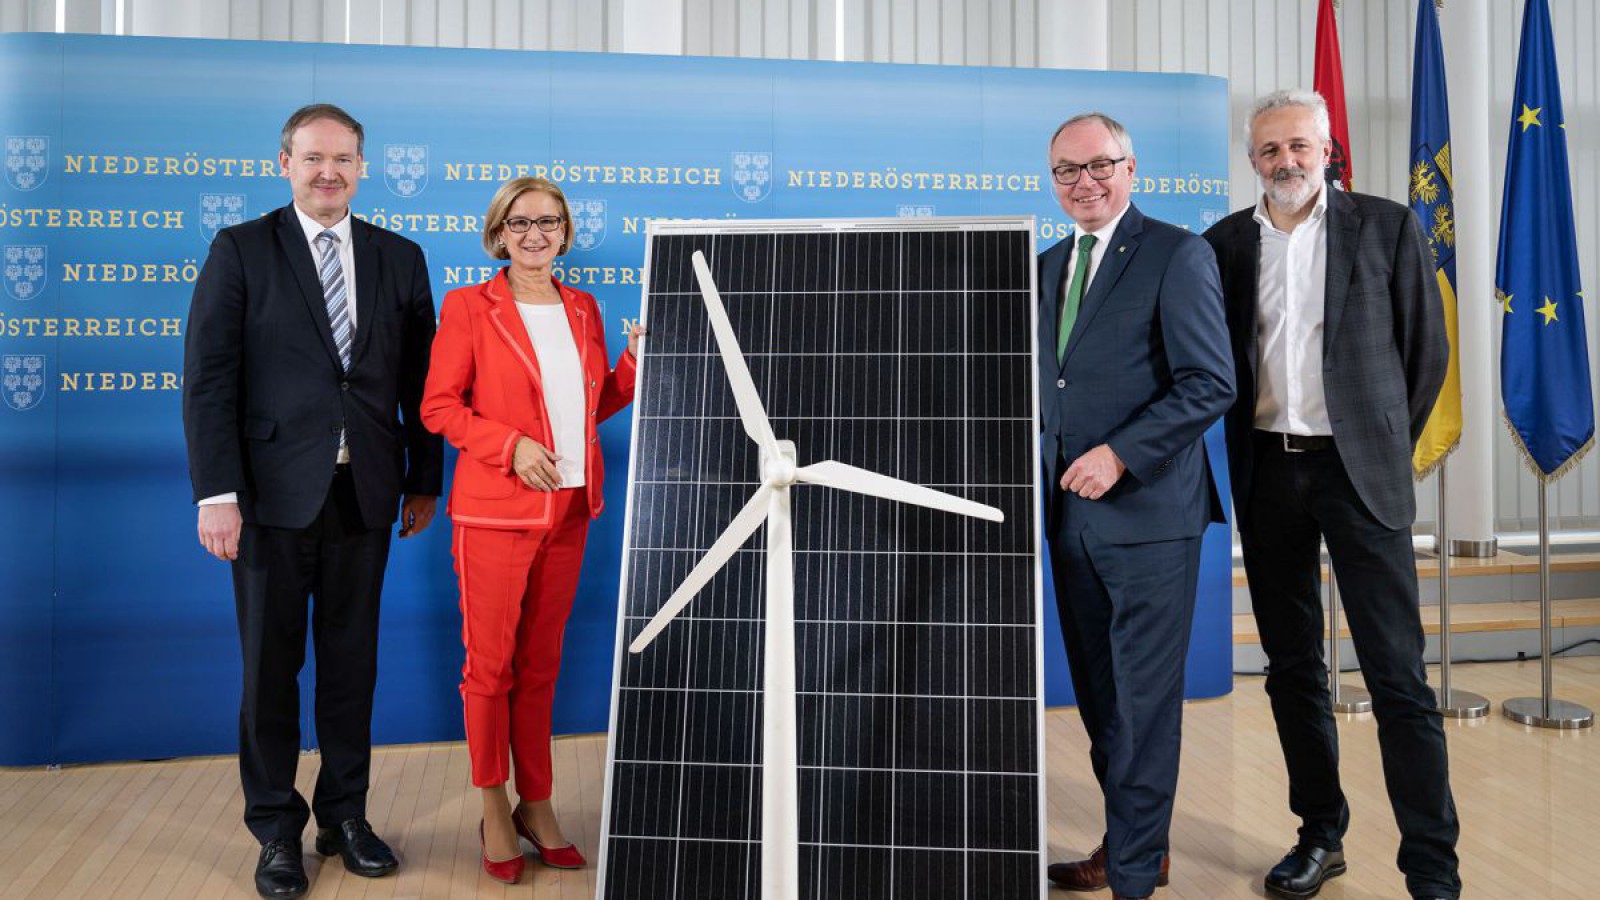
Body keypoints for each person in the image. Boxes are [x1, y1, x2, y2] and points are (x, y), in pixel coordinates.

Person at [1202, 89, 1459, 900]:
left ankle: (1431, 867)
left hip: (1361, 476)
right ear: (1253, 160)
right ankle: (1320, 834)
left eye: (1300, 147)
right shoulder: (1223, 246)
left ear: (1327, 149)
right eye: (1270, 150)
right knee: (1292, 669)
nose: (1286, 162)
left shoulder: (1383, 226)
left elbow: (1425, 354)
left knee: (1398, 678)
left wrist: (1374, 438)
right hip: (1269, 473)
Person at [182, 103, 441, 900]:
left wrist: (424, 477)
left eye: (344, 158)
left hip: (364, 493)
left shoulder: (399, 257)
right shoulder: (241, 249)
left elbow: (419, 381)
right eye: (313, 158)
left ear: (363, 167)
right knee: (268, 672)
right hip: (266, 499)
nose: (329, 171)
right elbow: (209, 379)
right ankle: (276, 830)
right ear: (284, 163)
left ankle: (345, 816)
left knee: (351, 669)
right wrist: (216, 495)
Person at [420, 177, 643, 884]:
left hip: (572, 512)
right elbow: (438, 408)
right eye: (520, 223)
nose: (536, 234)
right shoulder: (468, 308)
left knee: (540, 668)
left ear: (567, 231)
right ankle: (493, 804)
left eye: (548, 222)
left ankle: (536, 803)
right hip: (494, 513)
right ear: (499, 233)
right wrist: (509, 446)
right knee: (490, 669)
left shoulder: (583, 308)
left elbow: (589, 405)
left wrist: (633, 365)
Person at [1038, 112, 1235, 900]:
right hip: (1067, 520)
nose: (1084, 181)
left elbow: (1209, 381)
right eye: (1067, 171)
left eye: (1099, 165)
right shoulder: (1047, 265)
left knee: (1146, 704)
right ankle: (1133, 846)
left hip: (1151, 519)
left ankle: (1132, 879)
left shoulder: (1175, 254)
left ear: (1131, 168)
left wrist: (1120, 453)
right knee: (1102, 698)